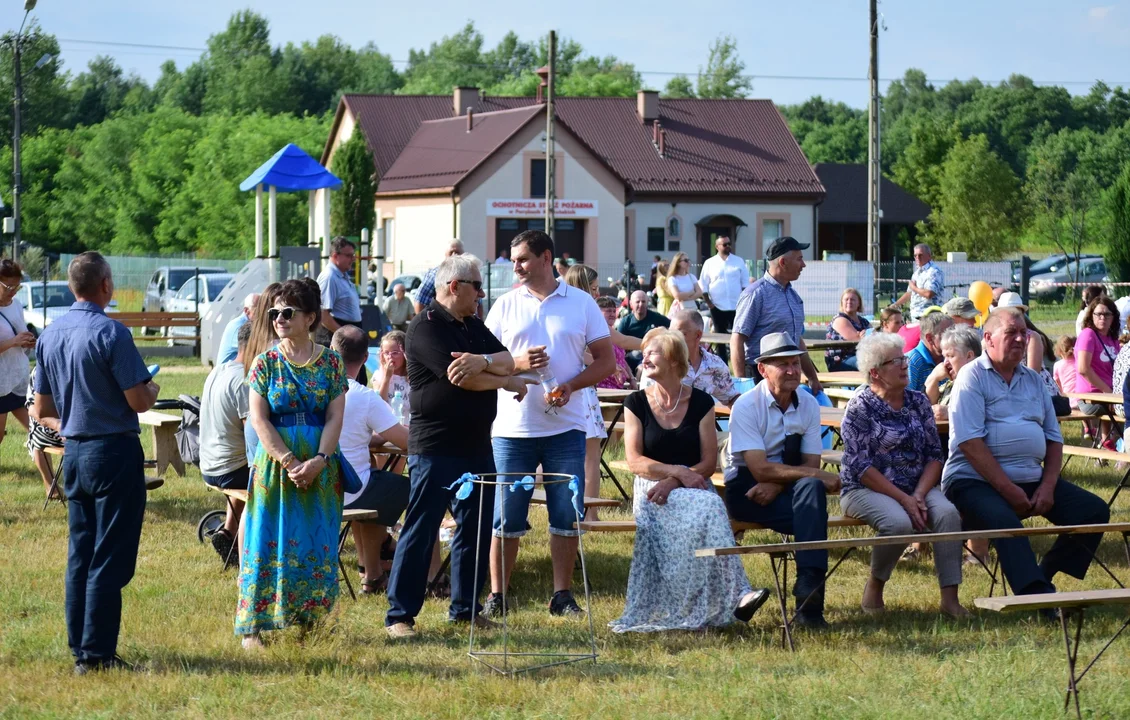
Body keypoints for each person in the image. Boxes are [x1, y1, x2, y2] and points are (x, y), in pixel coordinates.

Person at [385, 253, 529, 639]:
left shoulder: (473, 325)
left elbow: (505, 359)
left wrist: (484, 362)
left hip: (477, 446)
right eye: (477, 286)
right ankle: (400, 616)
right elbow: (460, 381)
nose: (481, 293)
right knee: (422, 528)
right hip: (435, 447)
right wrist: (503, 380)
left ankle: (465, 610)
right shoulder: (425, 327)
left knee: (476, 529)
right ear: (454, 287)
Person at [33, 252, 160, 674]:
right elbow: (139, 401)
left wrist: (71, 423)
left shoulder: (49, 336)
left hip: (75, 453)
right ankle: (97, 655)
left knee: (81, 553)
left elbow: (40, 409)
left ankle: (81, 649)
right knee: (108, 556)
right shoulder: (113, 333)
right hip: (114, 452)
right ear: (106, 285)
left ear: (73, 287)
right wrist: (152, 386)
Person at [484, 230, 615, 618]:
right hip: (512, 429)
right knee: (506, 515)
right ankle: (498, 596)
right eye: (513, 259)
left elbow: (606, 362)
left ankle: (562, 595)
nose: (515, 266)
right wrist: (519, 363)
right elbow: (486, 361)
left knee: (565, 513)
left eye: (522, 258)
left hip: (566, 428)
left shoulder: (581, 303)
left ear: (545, 257)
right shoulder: (504, 305)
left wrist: (571, 385)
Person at [942, 308, 1110, 603]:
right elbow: (969, 443)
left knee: (1094, 511)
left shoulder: (1033, 381)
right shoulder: (972, 377)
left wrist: (1047, 485)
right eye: (1011, 333)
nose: (1021, 339)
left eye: (1025, 333)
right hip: (973, 480)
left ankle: (1043, 574)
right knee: (1007, 522)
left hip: (1029, 478)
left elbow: (1054, 440)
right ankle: (1040, 599)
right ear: (988, 339)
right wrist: (1008, 490)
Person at [611, 328, 769, 632]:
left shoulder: (701, 403)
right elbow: (635, 461)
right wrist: (675, 473)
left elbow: (708, 463)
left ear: (672, 359)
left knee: (708, 505)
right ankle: (739, 593)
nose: (644, 357)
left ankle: (735, 594)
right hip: (652, 490)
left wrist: (677, 478)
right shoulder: (636, 403)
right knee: (711, 506)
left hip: (692, 485)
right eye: (644, 352)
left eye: (652, 352)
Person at [237, 279, 351, 650]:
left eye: (288, 312)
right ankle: (254, 626)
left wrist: (319, 459)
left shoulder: (332, 362)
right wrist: (287, 460)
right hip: (275, 463)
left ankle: (313, 622)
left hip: (321, 463)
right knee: (266, 539)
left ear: (311, 318)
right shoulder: (265, 362)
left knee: (317, 541)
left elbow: (335, 417)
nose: (279, 319)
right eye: (274, 313)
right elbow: (258, 419)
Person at [839, 333, 968, 617]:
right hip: (864, 489)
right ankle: (874, 586)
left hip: (916, 486)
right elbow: (861, 467)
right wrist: (904, 500)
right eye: (895, 361)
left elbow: (935, 454)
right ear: (875, 372)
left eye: (903, 358)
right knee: (898, 524)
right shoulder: (859, 407)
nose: (904, 365)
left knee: (948, 514)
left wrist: (919, 495)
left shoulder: (918, 402)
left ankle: (950, 599)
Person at [723, 332, 841, 629]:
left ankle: (808, 589)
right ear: (762, 369)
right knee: (813, 507)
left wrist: (779, 484)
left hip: (785, 486)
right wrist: (811, 475)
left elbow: (810, 462)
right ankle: (809, 605)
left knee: (810, 494)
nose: (792, 370)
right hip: (748, 489)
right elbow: (760, 469)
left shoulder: (809, 405)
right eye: (783, 364)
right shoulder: (747, 405)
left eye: (795, 363)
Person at [331, 325, 410, 595]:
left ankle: (372, 572)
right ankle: (417, 571)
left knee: (375, 481)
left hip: (314, 488)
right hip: (350, 492)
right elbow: (406, 442)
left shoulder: (314, 390)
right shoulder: (363, 396)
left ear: (331, 351)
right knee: (402, 488)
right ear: (366, 358)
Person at [730, 237, 824, 395]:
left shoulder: (794, 296)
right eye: (799, 259)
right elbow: (737, 340)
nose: (803, 265)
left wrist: (813, 377)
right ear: (783, 262)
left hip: (787, 374)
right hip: (759, 376)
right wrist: (742, 385)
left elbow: (797, 340)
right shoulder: (755, 294)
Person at [200, 322, 253, 565]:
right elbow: (252, 433)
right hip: (229, 469)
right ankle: (253, 549)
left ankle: (228, 533)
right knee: (267, 473)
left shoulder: (219, 370)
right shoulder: (244, 380)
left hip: (208, 464)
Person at [641, 309, 739, 407]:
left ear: (698, 335)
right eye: (670, 333)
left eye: (679, 334)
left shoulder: (714, 364)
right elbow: (645, 404)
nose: (673, 339)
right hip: (664, 419)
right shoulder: (659, 364)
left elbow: (731, 398)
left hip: (702, 421)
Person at [1075, 296, 1123, 451]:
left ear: (1113, 317)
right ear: (1091, 316)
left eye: (1107, 314)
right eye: (1098, 314)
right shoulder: (1088, 334)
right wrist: (1108, 392)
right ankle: (1121, 450)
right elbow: (1083, 368)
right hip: (1091, 398)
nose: (1102, 317)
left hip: (1111, 396)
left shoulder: (1112, 339)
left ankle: (1108, 444)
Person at [993, 292, 1058, 397]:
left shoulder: (1032, 337)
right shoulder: (995, 336)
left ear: (1022, 315)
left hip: (1036, 392)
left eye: (1015, 314)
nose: (1011, 318)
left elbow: (1033, 375)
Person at [0, 259, 34, 448]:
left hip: (18, 379)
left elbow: (18, 335)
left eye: (17, 287)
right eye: (8, 286)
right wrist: (14, 341)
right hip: (1, 384)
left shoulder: (17, 305)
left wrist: (27, 341)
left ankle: (50, 478)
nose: (13, 291)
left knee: (37, 430)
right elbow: (12, 340)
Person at [699, 235, 750, 361]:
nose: (728, 246)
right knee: (719, 337)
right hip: (717, 306)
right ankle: (723, 363)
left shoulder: (738, 261)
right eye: (724, 244)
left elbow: (745, 284)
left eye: (729, 243)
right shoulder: (710, 263)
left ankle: (741, 360)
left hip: (736, 306)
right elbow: (703, 284)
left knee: (739, 336)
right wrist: (709, 303)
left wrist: (743, 302)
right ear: (717, 246)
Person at [925, 325, 982, 422]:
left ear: (969, 356)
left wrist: (950, 412)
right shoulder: (949, 385)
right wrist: (933, 379)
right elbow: (924, 406)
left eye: (951, 356)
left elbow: (989, 413)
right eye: (944, 357)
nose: (945, 363)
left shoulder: (983, 383)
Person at [25, 366, 64, 500]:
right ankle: (51, 487)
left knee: (36, 430)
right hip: (55, 426)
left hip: (79, 426)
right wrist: (57, 425)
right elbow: (31, 407)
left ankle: (51, 487)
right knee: (36, 428)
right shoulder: (41, 370)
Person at [316, 236, 363, 341]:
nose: (353, 259)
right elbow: (323, 316)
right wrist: (345, 336)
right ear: (335, 256)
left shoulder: (342, 275)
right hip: (335, 339)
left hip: (346, 336)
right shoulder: (329, 277)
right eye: (349, 255)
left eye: (353, 255)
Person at [617, 290, 670, 371]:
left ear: (647, 302)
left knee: (642, 369)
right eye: (637, 302)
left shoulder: (657, 318)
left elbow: (673, 328)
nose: (641, 304)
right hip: (632, 357)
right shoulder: (625, 322)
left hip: (653, 356)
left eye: (643, 301)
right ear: (631, 303)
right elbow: (618, 344)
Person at [894, 243, 944, 322]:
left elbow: (929, 293)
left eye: (920, 255)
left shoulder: (934, 271)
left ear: (929, 256)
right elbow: (909, 293)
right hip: (916, 316)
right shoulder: (917, 273)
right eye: (915, 255)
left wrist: (914, 287)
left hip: (929, 317)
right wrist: (895, 305)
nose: (917, 258)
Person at [906, 311, 953, 394]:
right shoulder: (911, 362)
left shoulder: (949, 357)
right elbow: (907, 401)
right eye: (947, 334)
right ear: (930, 338)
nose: (953, 338)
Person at [595, 297, 636, 391]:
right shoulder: (595, 334)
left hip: (618, 387)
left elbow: (622, 360)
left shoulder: (615, 333)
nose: (612, 314)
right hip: (602, 388)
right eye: (608, 311)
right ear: (597, 312)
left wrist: (632, 379)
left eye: (614, 311)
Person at [414, 239, 465, 314]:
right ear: (445, 254)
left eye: (457, 252)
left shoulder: (469, 274)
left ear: (463, 255)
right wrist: (424, 323)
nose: (454, 255)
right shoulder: (435, 274)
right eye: (451, 252)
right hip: (440, 321)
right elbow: (420, 300)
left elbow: (478, 303)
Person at [825, 288, 870, 371]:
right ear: (842, 303)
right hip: (840, 361)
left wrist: (867, 336)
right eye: (846, 299)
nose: (849, 302)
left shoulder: (864, 322)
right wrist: (864, 336)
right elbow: (856, 339)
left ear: (859, 303)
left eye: (852, 299)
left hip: (861, 356)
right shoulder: (839, 319)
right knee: (872, 361)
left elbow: (875, 338)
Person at [216, 293, 259, 365]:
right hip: (229, 373)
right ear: (246, 310)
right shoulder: (238, 326)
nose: (263, 312)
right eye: (258, 309)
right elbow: (255, 349)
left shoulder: (252, 324)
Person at [665, 251, 702, 316]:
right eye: (685, 260)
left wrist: (687, 298)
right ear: (678, 263)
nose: (688, 262)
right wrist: (692, 292)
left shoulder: (691, 277)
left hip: (691, 308)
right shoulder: (673, 279)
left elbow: (699, 292)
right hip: (679, 310)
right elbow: (677, 296)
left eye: (688, 260)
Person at [1053, 336, 1080, 409]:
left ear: (1059, 351)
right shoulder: (1080, 363)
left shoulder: (1057, 365)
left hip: (1068, 401)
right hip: (1082, 400)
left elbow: (1058, 385)